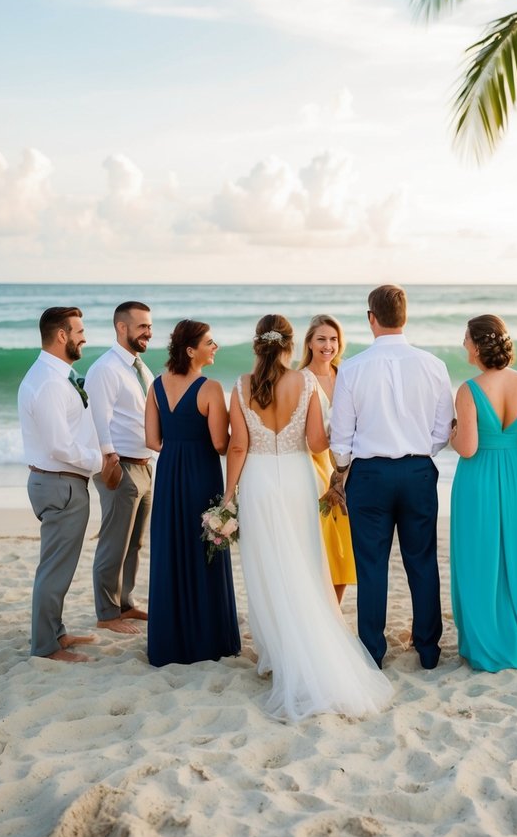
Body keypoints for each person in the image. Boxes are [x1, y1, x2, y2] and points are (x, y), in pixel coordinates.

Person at [222, 314, 391, 721]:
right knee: (304, 562)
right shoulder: (307, 382)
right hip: (299, 480)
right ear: (289, 344)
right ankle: (309, 643)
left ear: (256, 344)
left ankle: (279, 653)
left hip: (259, 482)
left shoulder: (241, 386)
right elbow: (318, 442)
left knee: (268, 567)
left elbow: (238, 447)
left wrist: (229, 496)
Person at [329, 285, 455, 670]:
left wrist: (344, 465)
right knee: (422, 560)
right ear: (405, 316)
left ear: (371, 318)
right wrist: (418, 452)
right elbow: (442, 431)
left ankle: (372, 651)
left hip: (369, 474)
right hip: (417, 471)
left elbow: (340, 438)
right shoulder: (434, 365)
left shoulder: (351, 367)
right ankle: (428, 649)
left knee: (371, 565)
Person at [18, 306, 120, 662]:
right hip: (60, 484)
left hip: (61, 482)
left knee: (58, 565)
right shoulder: (48, 382)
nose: (84, 336)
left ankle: (55, 633)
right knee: (54, 568)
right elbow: (58, 446)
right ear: (61, 335)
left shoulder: (58, 376)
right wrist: (100, 462)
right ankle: (45, 647)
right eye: (78, 330)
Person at [450, 314, 517, 672]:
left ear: (477, 346)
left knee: (479, 555)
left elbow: (468, 447)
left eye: (465, 339)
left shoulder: (469, 389)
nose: (463, 345)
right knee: (514, 555)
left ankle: (483, 645)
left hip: (478, 480)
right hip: (514, 477)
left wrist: (451, 431)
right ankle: (516, 643)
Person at [145, 320, 240, 667]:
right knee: (206, 550)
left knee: (171, 550)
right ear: (191, 350)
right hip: (201, 474)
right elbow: (219, 444)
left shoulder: (156, 385)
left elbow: (152, 441)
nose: (215, 347)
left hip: (169, 473)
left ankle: (170, 643)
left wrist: (177, 446)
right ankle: (209, 641)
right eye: (209, 342)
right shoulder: (211, 388)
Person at [85, 300, 154, 636]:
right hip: (120, 466)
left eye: (150, 326)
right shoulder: (106, 369)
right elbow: (99, 421)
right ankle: (106, 612)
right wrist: (110, 462)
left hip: (144, 466)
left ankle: (125, 603)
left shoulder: (141, 368)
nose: (148, 332)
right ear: (122, 328)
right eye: (142, 326)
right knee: (114, 543)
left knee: (135, 544)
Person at [298, 313, 357, 603]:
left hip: (350, 467)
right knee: (323, 540)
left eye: (333, 339)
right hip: (315, 466)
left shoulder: (347, 373)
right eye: (321, 339)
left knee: (344, 544)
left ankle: (334, 609)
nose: (328, 345)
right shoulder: (300, 380)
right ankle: (318, 607)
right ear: (309, 343)